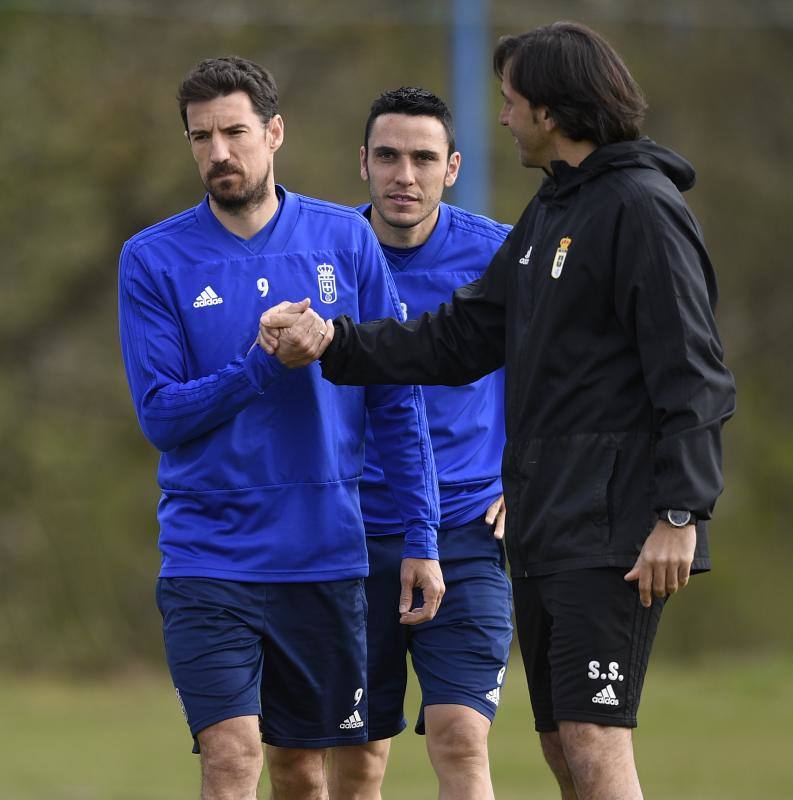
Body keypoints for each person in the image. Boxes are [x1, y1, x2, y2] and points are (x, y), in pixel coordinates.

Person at [258, 22, 737, 800]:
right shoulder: (551, 213)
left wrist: (680, 512)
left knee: (592, 739)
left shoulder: (640, 209)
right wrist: (331, 344)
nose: (505, 116)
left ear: (551, 109)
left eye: (512, 101)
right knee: (560, 742)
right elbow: (458, 339)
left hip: (612, 526)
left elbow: (695, 372)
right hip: (549, 531)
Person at [118, 56, 444, 800]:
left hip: (324, 556)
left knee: (302, 771)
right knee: (232, 759)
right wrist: (264, 361)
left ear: (274, 131)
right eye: (201, 137)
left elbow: (396, 400)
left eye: (234, 132)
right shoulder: (153, 258)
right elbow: (162, 416)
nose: (219, 153)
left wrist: (421, 538)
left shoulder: (345, 241)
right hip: (209, 557)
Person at [324, 88, 513, 800]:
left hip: (466, 528)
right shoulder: (326, 253)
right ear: (363, 164)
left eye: (423, 158)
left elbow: (557, 381)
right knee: (358, 757)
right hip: (350, 531)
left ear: (453, 167)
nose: (405, 175)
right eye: (388, 156)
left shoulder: (499, 256)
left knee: (459, 737)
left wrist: (523, 481)